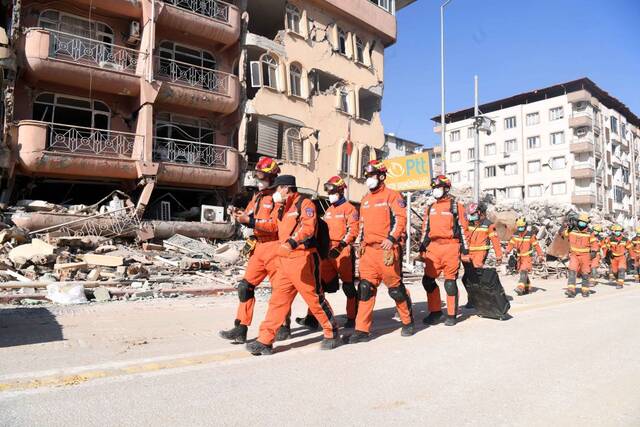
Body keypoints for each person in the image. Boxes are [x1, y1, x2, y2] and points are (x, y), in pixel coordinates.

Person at [246, 175, 340, 355]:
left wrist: (291, 242)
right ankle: (265, 340)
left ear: (286, 188)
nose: (274, 192)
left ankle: (331, 332)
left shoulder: (305, 204)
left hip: (303, 258)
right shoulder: (281, 207)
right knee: (277, 301)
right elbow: (273, 226)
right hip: (284, 260)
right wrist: (251, 222)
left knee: (314, 299)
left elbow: (308, 228)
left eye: (276, 189)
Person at [348, 160, 414, 343]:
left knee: (395, 290)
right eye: (367, 176)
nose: (368, 179)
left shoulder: (392, 196)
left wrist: (392, 238)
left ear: (381, 176)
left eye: (371, 176)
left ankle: (408, 322)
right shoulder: (365, 199)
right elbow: (361, 224)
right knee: (365, 289)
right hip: (368, 252)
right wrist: (360, 241)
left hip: (386, 250)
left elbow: (400, 219)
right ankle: (362, 329)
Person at [219, 157, 283, 344]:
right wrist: (239, 214)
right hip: (258, 246)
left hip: (275, 246)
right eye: (256, 175)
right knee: (245, 287)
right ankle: (240, 328)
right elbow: (249, 215)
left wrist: (251, 221)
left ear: (272, 176)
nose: (258, 179)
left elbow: (275, 226)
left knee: (279, 291)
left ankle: (283, 326)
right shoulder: (258, 196)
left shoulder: (278, 197)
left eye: (261, 176)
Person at [296, 176, 360, 329]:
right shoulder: (329, 210)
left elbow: (353, 230)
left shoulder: (350, 209)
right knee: (319, 286)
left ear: (340, 190)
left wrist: (341, 246)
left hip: (342, 251)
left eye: (332, 190)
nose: (329, 194)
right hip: (326, 251)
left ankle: (353, 317)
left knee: (348, 286)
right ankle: (312, 318)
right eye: (328, 190)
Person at [419, 175, 468, 327]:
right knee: (427, 280)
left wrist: (465, 251)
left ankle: (452, 315)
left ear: (446, 189)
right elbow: (425, 229)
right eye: (433, 188)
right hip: (433, 248)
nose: (435, 191)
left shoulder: (456, 206)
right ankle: (435, 311)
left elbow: (463, 228)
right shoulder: (431, 207)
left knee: (449, 283)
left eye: (438, 188)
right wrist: (422, 248)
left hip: (451, 247)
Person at [505, 217, 544, 296]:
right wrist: (507, 251)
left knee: (523, 271)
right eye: (519, 227)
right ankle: (527, 288)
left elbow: (536, 246)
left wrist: (540, 255)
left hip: (527, 257)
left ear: (525, 226)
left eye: (522, 227)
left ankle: (520, 287)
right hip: (519, 258)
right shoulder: (515, 235)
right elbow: (511, 244)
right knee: (523, 272)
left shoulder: (530, 235)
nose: (520, 229)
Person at [563, 213, 598, 298]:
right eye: (580, 222)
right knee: (572, 271)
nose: (582, 224)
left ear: (587, 223)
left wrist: (594, 251)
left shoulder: (590, 232)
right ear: (577, 222)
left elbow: (594, 243)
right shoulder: (572, 230)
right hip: (574, 255)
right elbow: (564, 235)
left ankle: (585, 290)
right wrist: (568, 227)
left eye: (584, 222)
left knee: (585, 273)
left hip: (585, 256)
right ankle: (571, 290)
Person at [465, 202, 502, 269]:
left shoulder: (488, 225)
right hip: (469, 252)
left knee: (476, 268)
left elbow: (495, 241)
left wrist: (498, 256)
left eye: (473, 214)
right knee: (469, 272)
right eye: (470, 214)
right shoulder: (470, 224)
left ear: (480, 213)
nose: (471, 216)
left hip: (481, 252)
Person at [603, 224, 630, 289]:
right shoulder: (611, 239)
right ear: (614, 231)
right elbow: (607, 248)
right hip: (613, 257)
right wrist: (606, 255)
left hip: (622, 257)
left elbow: (630, 248)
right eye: (616, 231)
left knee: (621, 269)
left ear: (621, 231)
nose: (618, 232)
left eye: (619, 231)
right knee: (614, 271)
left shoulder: (625, 239)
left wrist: (631, 256)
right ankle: (618, 279)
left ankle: (620, 283)